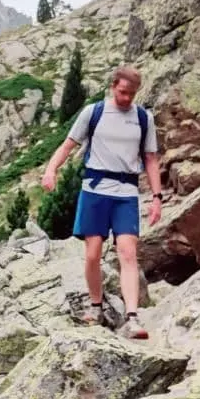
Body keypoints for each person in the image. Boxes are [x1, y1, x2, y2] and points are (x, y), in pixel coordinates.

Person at [41, 64, 163, 338]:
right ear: (112, 86)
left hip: (127, 193)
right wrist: (51, 170)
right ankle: (96, 306)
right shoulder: (93, 112)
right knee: (93, 254)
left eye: (132, 94)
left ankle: (132, 318)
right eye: (122, 92)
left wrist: (156, 197)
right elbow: (68, 144)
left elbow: (151, 159)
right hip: (95, 189)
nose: (127, 98)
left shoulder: (143, 119)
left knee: (128, 253)